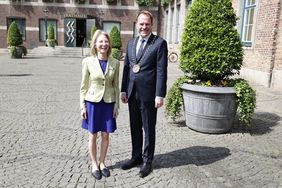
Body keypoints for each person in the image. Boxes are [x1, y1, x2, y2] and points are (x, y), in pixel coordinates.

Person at [120, 10, 168, 178]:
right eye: (141, 24)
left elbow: (162, 71)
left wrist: (159, 94)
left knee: (148, 129)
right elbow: (126, 68)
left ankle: (148, 161)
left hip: (149, 95)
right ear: (136, 24)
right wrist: (123, 90)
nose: (144, 27)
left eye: (147, 24)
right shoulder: (131, 43)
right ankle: (136, 157)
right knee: (134, 127)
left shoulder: (159, 43)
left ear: (151, 24)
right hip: (132, 93)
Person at [80, 29, 120, 180]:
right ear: (95, 44)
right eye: (100, 41)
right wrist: (82, 106)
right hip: (92, 103)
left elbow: (116, 85)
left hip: (108, 102)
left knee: (105, 135)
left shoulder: (115, 63)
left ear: (109, 44)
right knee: (93, 135)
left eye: (106, 41)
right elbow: (83, 86)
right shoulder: (87, 62)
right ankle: (94, 164)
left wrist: (116, 105)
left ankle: (102, 163)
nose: (104, 44)